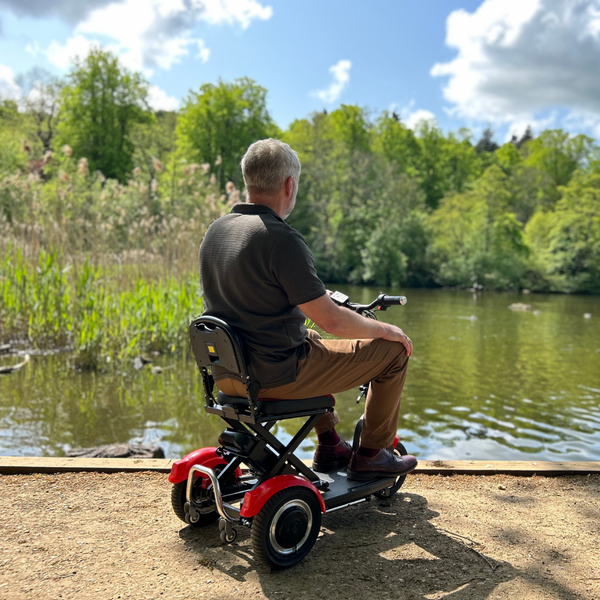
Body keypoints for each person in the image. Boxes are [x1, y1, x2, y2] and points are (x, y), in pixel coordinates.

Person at [199, 138, 417, 479]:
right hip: (275, 377)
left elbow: (257, 295)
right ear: (290, 185)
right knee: (393, 352)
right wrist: (387, 330)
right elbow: (333, 320)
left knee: (310, 337)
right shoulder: (281, 238)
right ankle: (373, 455)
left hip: (228, 376)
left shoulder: (217, 230)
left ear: (249, 180)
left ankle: (329, 443)